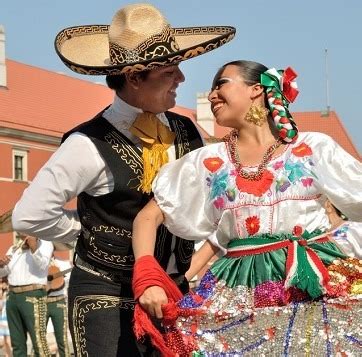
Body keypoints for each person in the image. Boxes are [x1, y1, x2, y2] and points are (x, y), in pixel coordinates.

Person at [11, 3, 236, 356]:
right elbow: (30, 214)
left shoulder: (187, 132)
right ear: (134, 77)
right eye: (170, 71)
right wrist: (85, 231)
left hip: (173, 293)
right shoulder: (86, 144)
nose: (181, 79)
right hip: (107, 297)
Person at [132, 60, 362, 356]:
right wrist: (147, 275)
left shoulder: (311, 148)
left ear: (257, 90)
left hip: (310, 278)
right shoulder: (207, 162)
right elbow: (147, 216)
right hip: (237, 286)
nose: (212, 94)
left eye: (221, 84)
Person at [0, 235, 53, 357]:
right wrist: (1, 265)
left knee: (39, 342)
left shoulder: (45, 242)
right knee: (17, 344)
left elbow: (43, 265)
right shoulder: (14, 248)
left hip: (33, 295)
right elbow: (4, 272)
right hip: (12, 296)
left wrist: (34, 246)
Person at [46, 257, 72, 357]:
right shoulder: (38, 263)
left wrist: (58, 272)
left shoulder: (64, 264)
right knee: (38, 337)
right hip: (43, 301)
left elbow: (68, 281)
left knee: (62, 339)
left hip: (59, 302)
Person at [0, 278, 11, 357]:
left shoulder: (10, 293)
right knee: (3, 343)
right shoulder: (3, 293)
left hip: (8, 320)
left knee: (8, 343)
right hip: (3, 321)